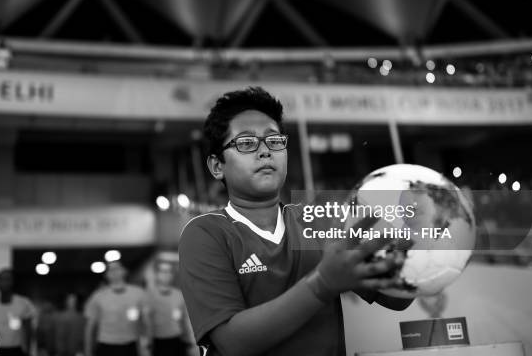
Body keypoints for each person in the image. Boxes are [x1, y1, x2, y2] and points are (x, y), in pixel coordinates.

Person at [179, 87, 414, 356]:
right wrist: (322, 283)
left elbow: (397, 300)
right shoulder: (206, 234)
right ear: (217, 165)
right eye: (246, 143)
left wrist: (410, 256)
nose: (265, 151)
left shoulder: (321, 222)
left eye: (274, 141)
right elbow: (233, 343)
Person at [84, 261, 151, 356]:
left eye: (117, 268)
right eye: (110, 269)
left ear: (124, 271)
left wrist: (147, 345)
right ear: (106, 275)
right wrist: (88, 351)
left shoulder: (139, 294)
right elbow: (90, 327)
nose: (114, 271)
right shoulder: (98, 296)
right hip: (106, 345)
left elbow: (146, 322)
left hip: (131, 345)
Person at [0, 269, 36, 356]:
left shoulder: (23, 303)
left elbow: (28, 330)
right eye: (1, 279)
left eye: (7, 279)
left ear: (13, 281)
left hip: (16, 350)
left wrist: (28, 351)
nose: (4, 282)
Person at [146, 261, 196, 356]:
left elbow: (184, 320)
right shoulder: (149, 296)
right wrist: (147, 342)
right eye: (162, 271)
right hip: (157, 342)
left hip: (178, 341)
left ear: (172, 275)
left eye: (169, 271)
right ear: (157, 274)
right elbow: (147, 322)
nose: (166, 274)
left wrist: (189, 339)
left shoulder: (179, 295)